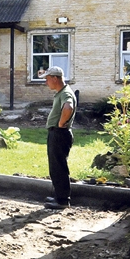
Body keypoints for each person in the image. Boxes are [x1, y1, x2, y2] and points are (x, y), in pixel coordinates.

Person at [40, 66, 77, 209]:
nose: (46, 83)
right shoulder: (61, 92)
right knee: (56, 166)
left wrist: (61, 123)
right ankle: (59, 196)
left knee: (58, 167)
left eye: (47, 79)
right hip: (57, 133)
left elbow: (68, 107)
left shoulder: (65, 93)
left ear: (55, 78)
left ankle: (62, 200)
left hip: (60, 133)